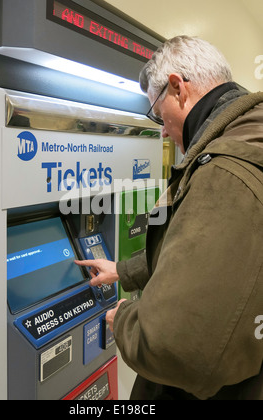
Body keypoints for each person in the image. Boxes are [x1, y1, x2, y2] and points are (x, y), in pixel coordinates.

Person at [76, 36, 263, 400]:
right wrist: (124, 271)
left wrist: (124, 320)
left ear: (178, 88)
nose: (162, 130)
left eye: (159, 115)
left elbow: (174, 346)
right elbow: (218, 260)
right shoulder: (250, 137)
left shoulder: (224, 172)